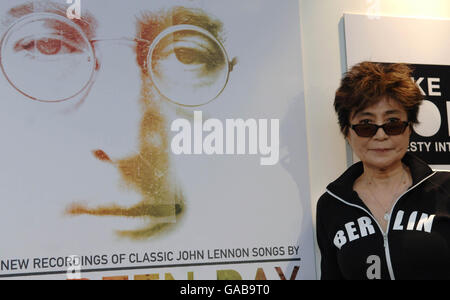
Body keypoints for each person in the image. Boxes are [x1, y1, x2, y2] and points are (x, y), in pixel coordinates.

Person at [316, 61, 450, 280]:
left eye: (393, 123)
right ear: (347, 132)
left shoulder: (445, 189)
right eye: (366, 124)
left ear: (409, 128)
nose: (380, 135)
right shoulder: (331, 205)